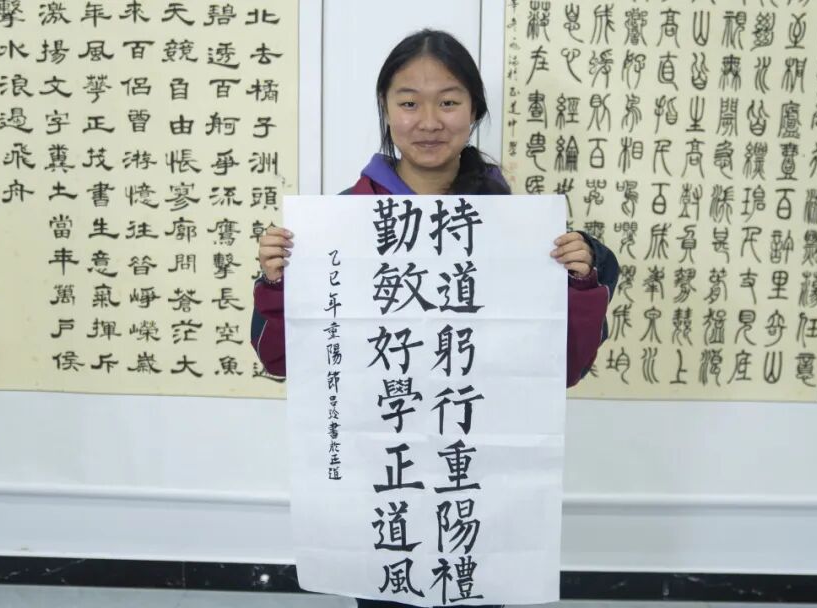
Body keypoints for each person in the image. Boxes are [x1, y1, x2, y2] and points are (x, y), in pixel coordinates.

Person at [251, 29, 619, 608]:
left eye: (448, 102)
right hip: (380, 476)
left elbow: (564, 370)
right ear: (385, 108)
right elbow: (280, 361)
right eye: (409, 102)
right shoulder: (338, 225)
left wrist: (578, 282)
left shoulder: (523, 231)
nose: (428, 121)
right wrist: (279, 283)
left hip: (479, 479)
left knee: (473, 582)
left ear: (474, 111)